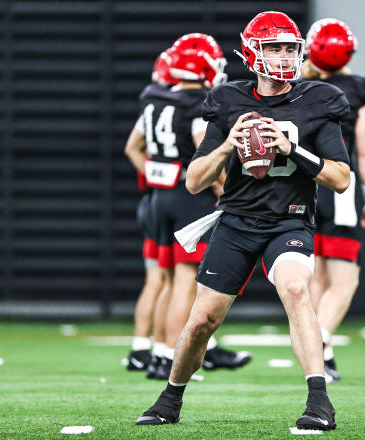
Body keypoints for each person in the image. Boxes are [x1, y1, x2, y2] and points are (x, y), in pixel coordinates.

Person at [136, 11, 351, 431]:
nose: (285, 56)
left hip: (289, 222)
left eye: (290, 48)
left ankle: (319, 401)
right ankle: (170, 397)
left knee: (294, 288)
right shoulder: (228, 100)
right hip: (236, 222)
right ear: (253, 52)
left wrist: (292, 149)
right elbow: (196, 181)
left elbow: (341, 178)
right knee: (202, 320)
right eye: (275, 48)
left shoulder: (318, 99)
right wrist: (226, 147)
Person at [138, 33, 251, 380]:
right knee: (186, 281)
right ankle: (173, 356)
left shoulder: (156, 97)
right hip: (189, 198)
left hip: (160, 197)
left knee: (168, 280)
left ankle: (158, 353)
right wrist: (223, 187)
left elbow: (136, 146)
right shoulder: (197, 102)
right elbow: (204, 154)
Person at [302, 19, 365, 383]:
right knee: (345, 280)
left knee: (317, 278)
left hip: (302, 189)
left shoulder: (300, 87)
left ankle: (321, 354)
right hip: (339, 190)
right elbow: (364, 151)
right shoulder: (357, 90)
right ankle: (319, 342)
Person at [123, 49, 177, 373]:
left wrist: (154, 176)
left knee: (157, 279)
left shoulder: (154, 105)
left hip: (154, 201)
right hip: (174, 200)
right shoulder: (181, 106)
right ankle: (161, 351)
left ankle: (142, 348)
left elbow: (132, 147)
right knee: (168, 280)